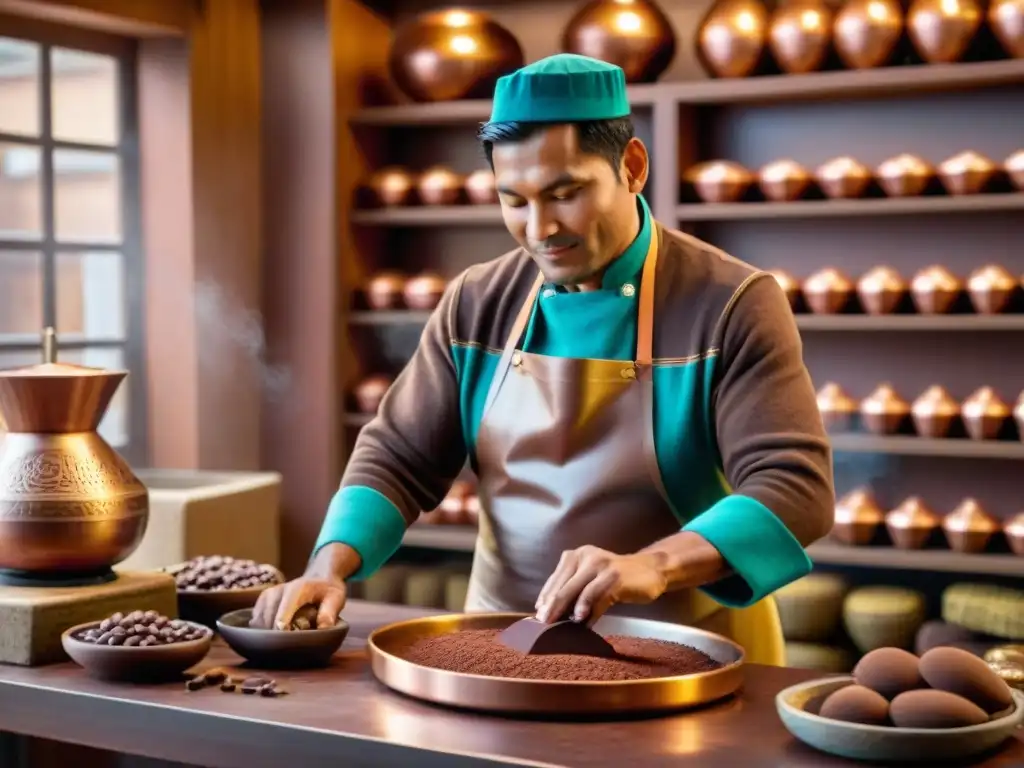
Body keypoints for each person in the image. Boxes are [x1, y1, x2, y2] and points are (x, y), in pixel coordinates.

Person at [253, 53, 835, 639]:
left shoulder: (729, 302)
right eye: (515, 200)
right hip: (501, 642)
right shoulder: (477, 301)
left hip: (685, 646)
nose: (540, 230)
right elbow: (398, 456)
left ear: (632, 168)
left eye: (565, 193)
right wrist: (328, 566)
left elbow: (793, 486)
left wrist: (652, 566)